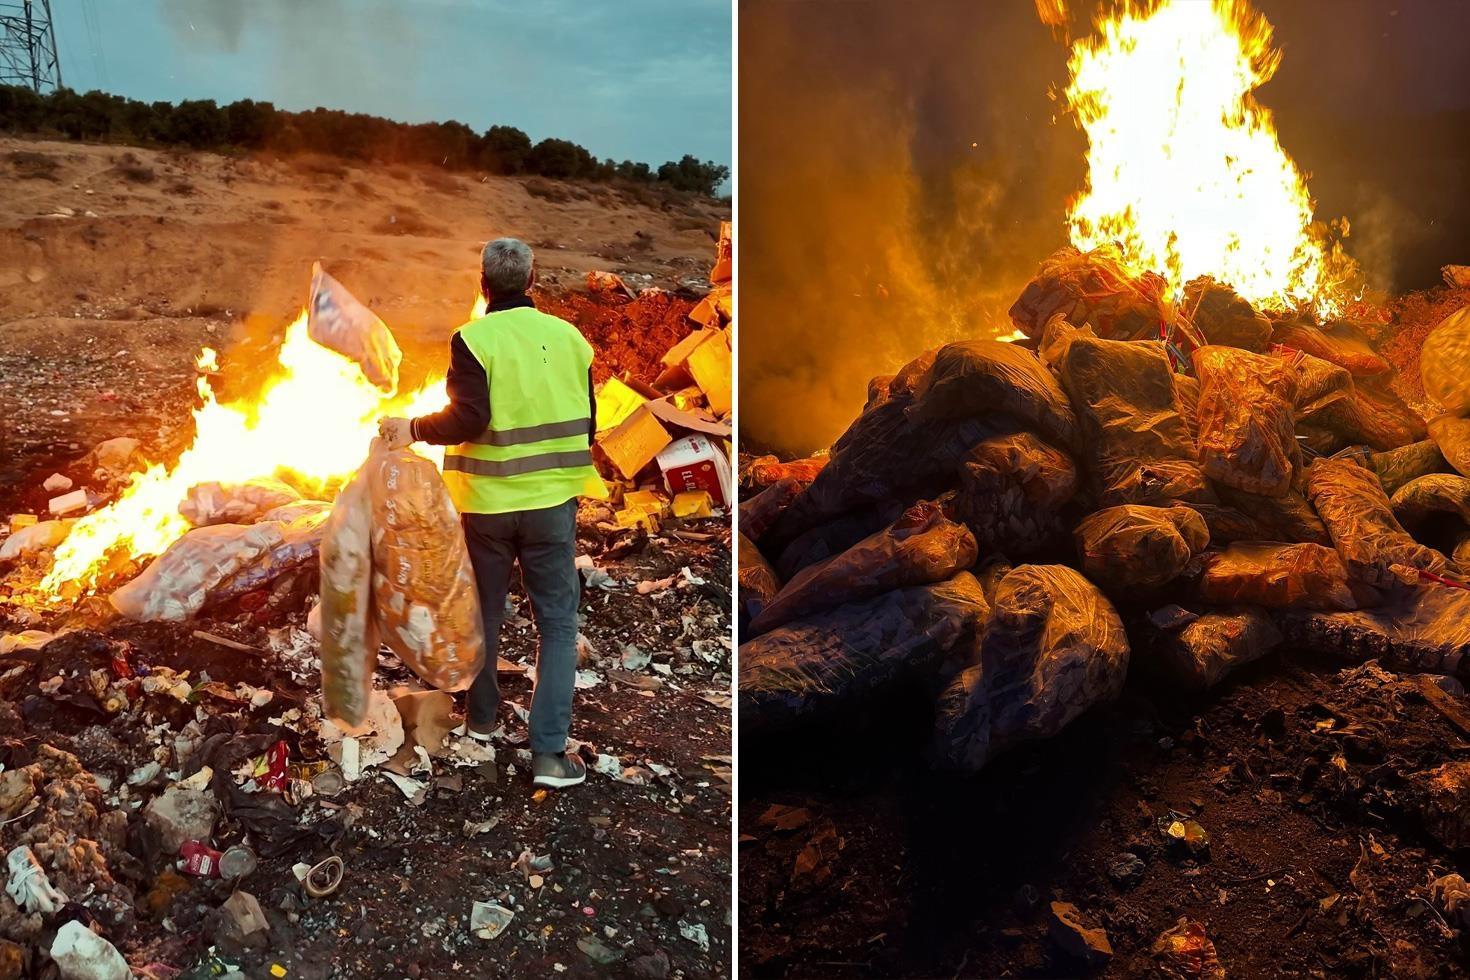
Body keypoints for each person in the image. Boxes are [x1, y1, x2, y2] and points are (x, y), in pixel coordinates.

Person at [379, 238, 605, 790]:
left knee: (484, 613)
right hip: (552, 505)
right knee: (557, 624)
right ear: (533, 283)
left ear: (484, 285)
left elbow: (469, 418)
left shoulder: (472, 339)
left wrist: (411, 429)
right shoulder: (571, 338)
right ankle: (549, 756)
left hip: (489, 509)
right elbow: (590, 423)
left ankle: (481, 721)